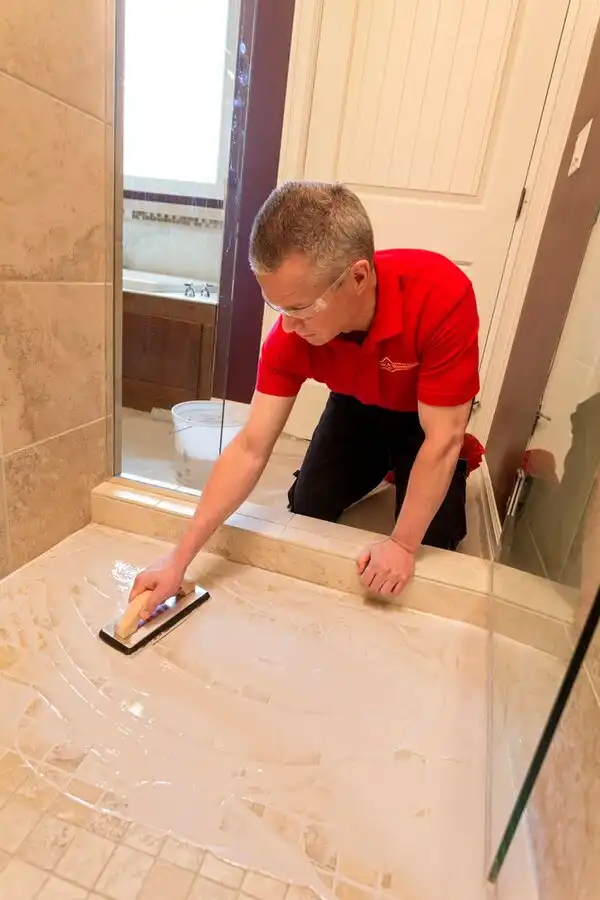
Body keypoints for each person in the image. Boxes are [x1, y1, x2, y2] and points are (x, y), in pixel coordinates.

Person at [130, 182, 480, 617]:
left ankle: (404, 473)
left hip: (424, 416)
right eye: (277, 308)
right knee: (308, 504)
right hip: (357, 405)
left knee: (436, 540)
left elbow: (442, 437)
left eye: (300, 307)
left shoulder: (440, 294)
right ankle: (388, 468)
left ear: (358, 276)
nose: (289, 327)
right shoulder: (289, 338)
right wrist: (177, 560)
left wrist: (402, 544)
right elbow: (250, 447)